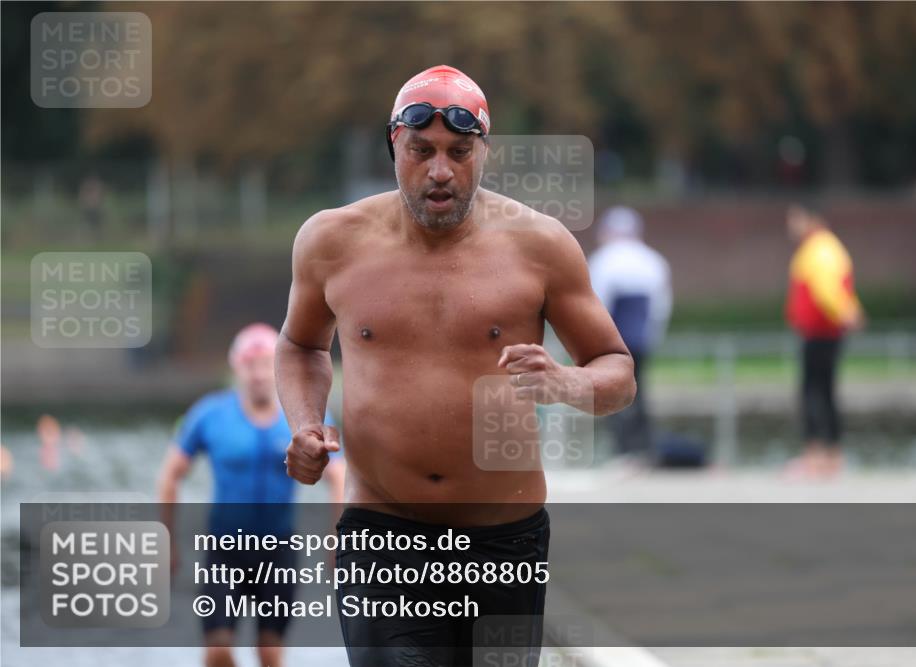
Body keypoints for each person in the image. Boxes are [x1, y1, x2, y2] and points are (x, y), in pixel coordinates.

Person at [277, 65, 636, 667]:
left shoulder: (540, 245)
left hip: (505, 542)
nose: (440, 171)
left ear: (484, 151)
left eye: (458, 152)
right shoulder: (330, 241)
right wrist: (305, 423)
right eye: (422, 151)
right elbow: (301, 346)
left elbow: (617, 371)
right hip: (383, 536)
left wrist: (566, 382)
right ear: (395, 145)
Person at [158, 322, 344, 667]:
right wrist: (166, 539)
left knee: (270, 655)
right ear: (236, 367)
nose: (258, 375)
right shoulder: (210, 414)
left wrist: (335, 541)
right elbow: (170, 474)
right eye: (250, 365)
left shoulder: (302, 419)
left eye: (265, 365)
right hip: (224, 552)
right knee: (217, 651)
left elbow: (339, 475)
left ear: (278, 368)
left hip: (279, 552)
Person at [784, 204, 864, 478]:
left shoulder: (818, 249)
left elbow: (826, 289)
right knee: (826, 392)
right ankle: (831, 456)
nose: (791, 226)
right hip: (826, 332)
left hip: (819, 332)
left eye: (795, 219)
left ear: (812, 219)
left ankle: (816, 457)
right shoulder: (827, 248)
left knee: (813, 392)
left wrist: (847, 312)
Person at [588, 206, 672, 460]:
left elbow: (596, 303)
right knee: (639, 391)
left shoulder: (604, 259)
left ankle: (623, 450)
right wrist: (653, 336)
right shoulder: (653, 260)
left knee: (611, 394)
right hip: (641, 338)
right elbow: (661, 306)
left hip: (613, 340)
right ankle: (642, 449)